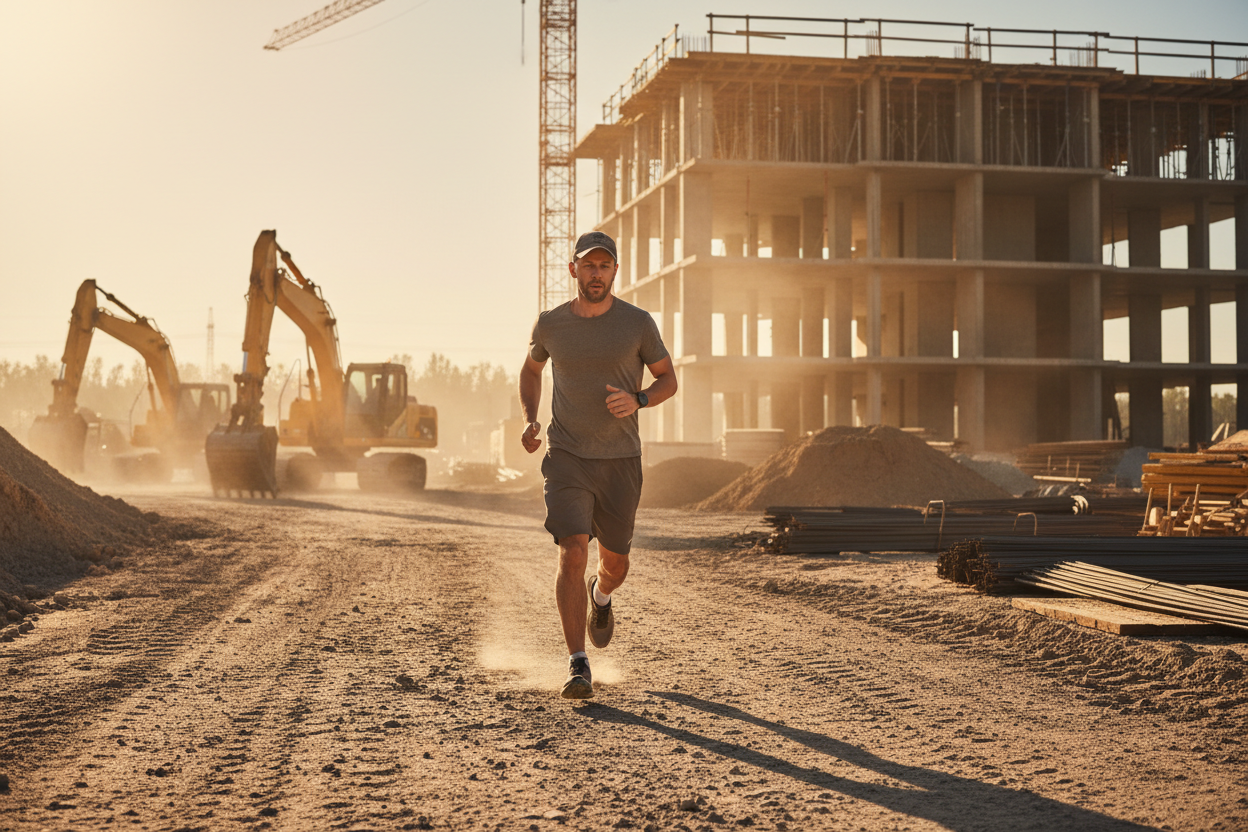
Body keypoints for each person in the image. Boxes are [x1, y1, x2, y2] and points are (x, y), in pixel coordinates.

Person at [519, 230, 677, 699]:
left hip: (620, 460)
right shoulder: (550, 324)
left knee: (615, 563)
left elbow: (668, 378)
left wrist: (640, 399)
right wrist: (531, 420)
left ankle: (601, 596)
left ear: (614, 271)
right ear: (573, 270)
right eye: (588, 265)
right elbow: (531, 370)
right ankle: (577, 663)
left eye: (604, 266)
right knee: (572, 550)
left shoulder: (637, 324)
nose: (596, 273)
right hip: (566, 454)